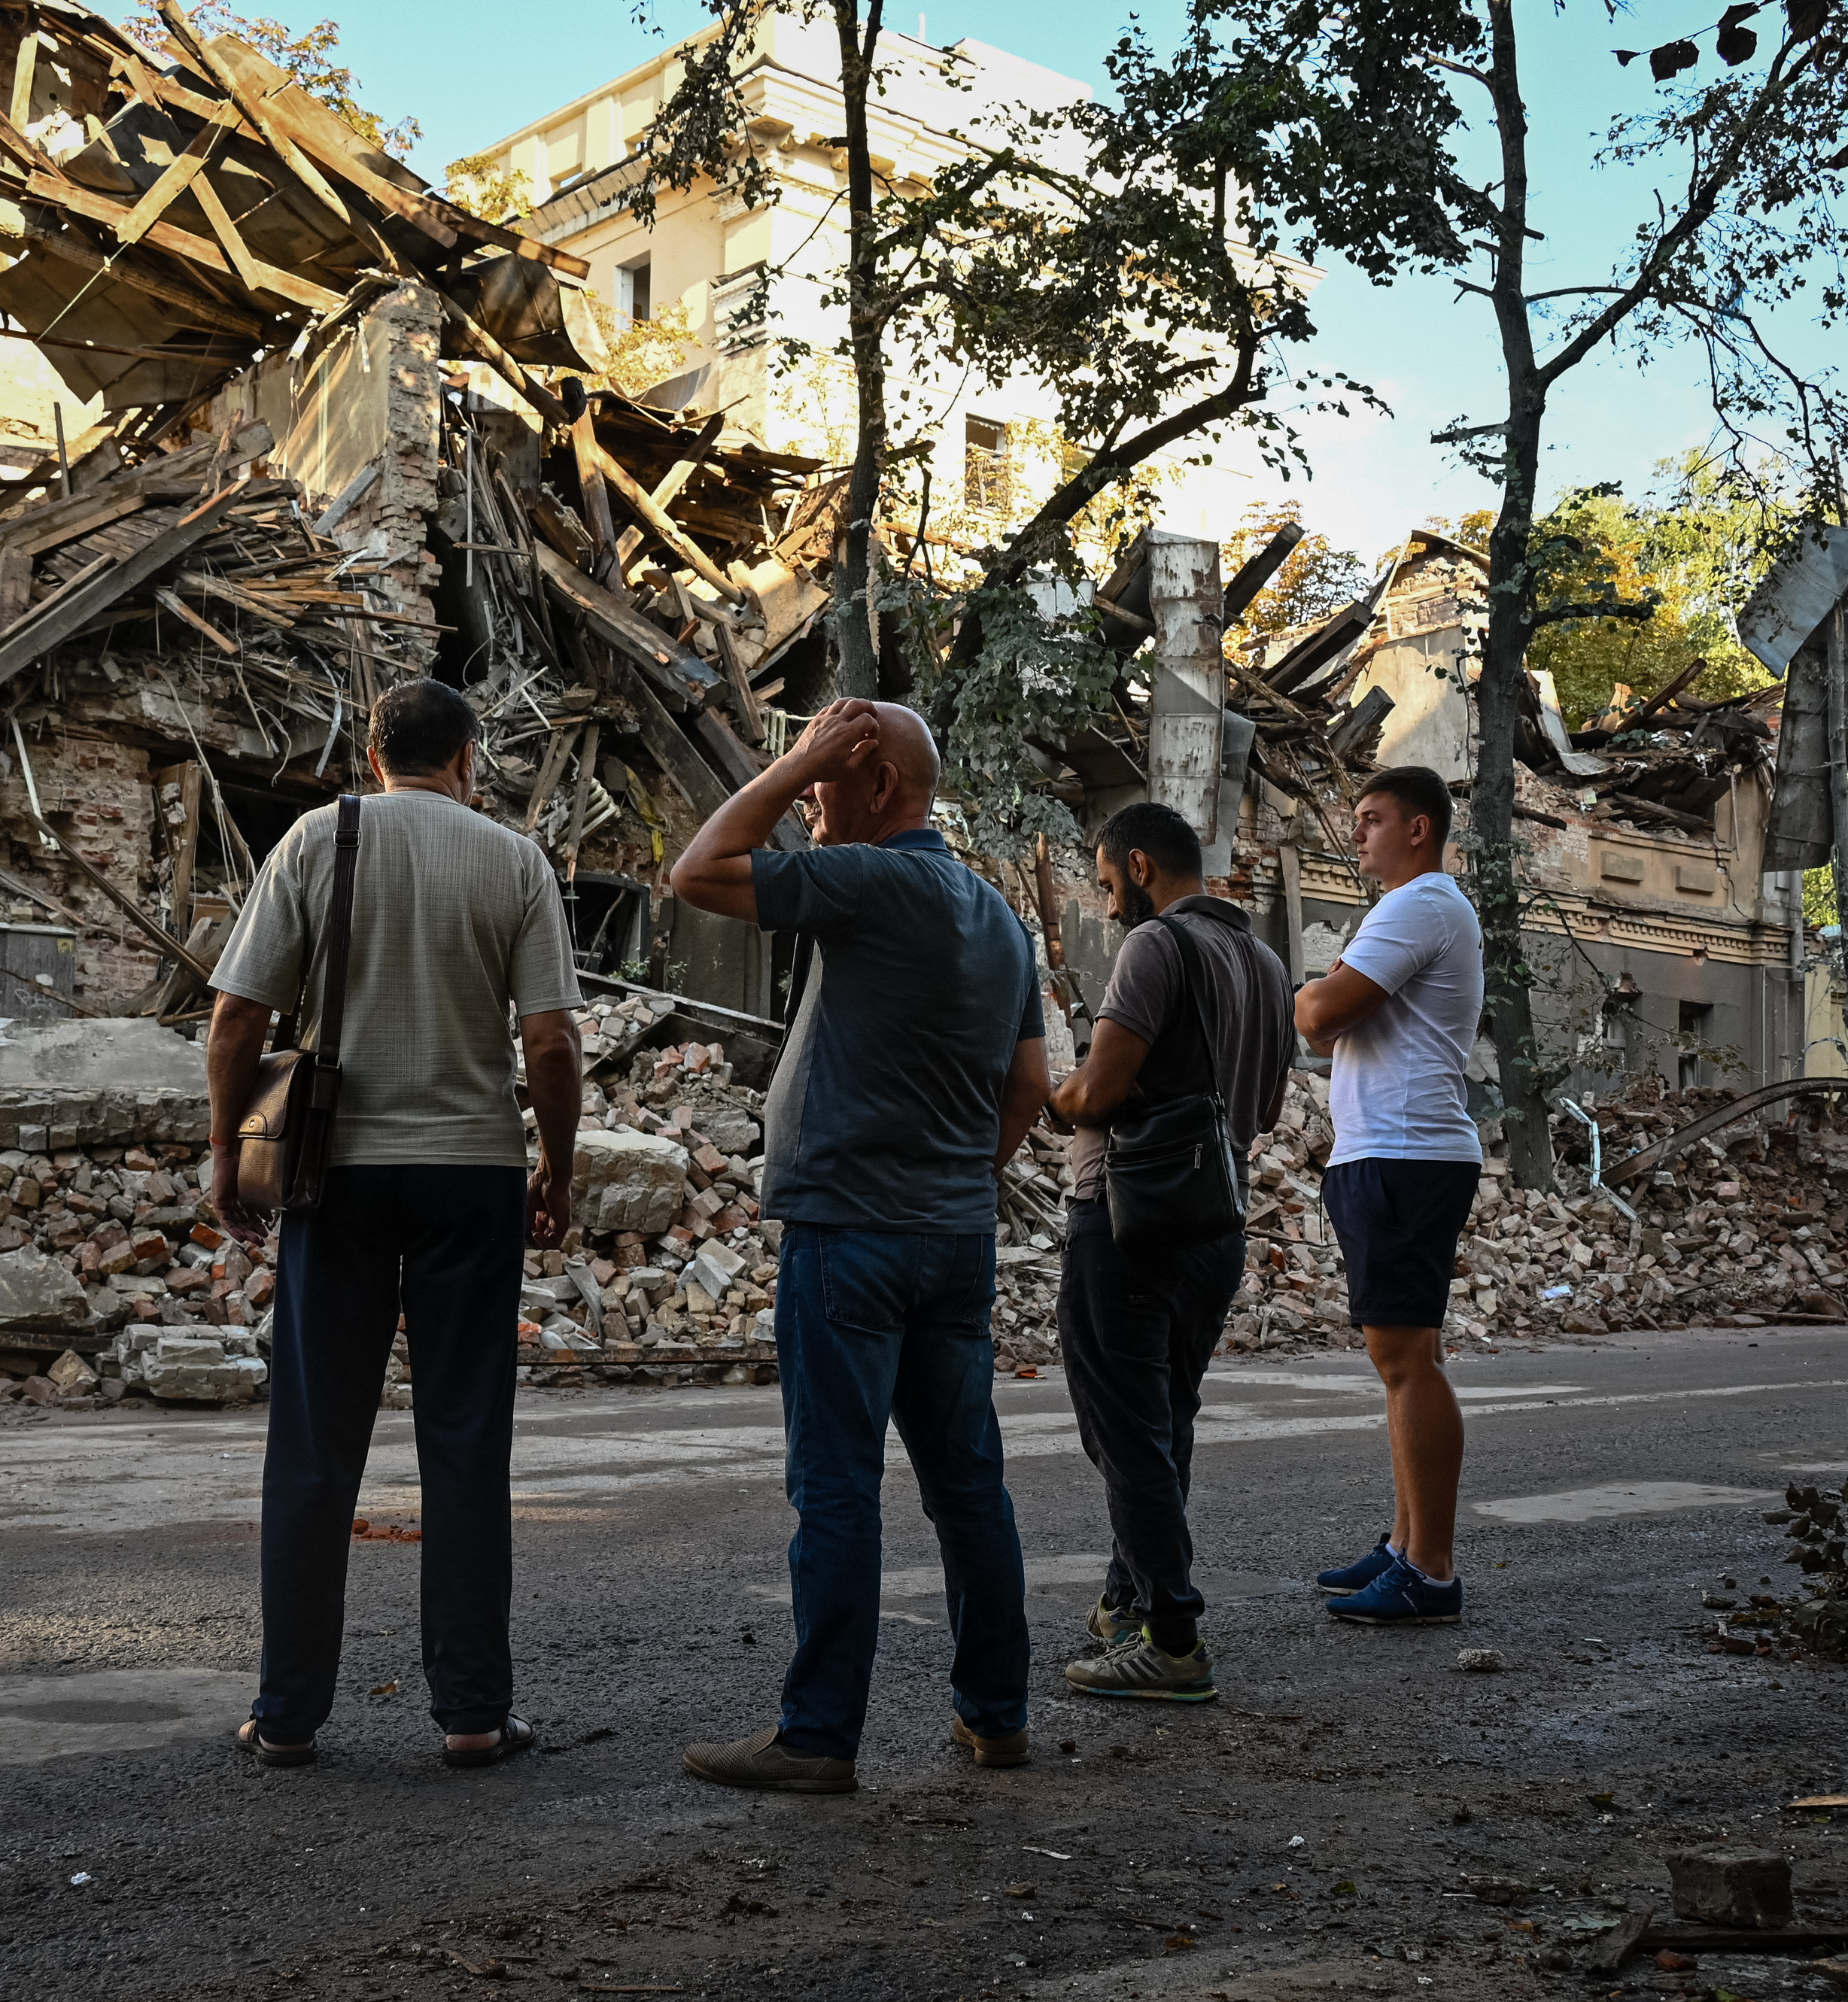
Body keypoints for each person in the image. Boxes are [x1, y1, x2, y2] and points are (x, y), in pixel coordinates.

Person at [666, 698, 1050, 1794]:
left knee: (835, 1485)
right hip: (953, 1236)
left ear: (878, 785)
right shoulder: (995, 914)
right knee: (968, 1483)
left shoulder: (874, 881)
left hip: (851, 1233)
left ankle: (820, 1733)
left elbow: (699, 870)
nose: (816, 800)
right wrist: (959, 1177)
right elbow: (1026, 1088)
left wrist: (793, 761)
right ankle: (998, 1714)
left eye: (836, 776)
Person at [204, 679, 585, 1768]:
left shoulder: (316, 842)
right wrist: (556, 1168)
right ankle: (471, 1711)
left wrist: (228, 1147)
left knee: (317, 1441)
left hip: (340, 1176)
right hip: (471, 1178)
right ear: (468, 757)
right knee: (466, 1438)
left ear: (374, 757)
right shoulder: (514, 862)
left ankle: (286, 1715)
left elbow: (238, 1016)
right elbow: (551, 1043)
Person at [1042, 801, 1293, 1701]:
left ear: (1141, 867)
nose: (1109, 909)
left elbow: (1101, 1091)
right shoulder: (1264, 962)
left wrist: (1050, 1092)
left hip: (1127, 1222)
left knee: (1125, 1429)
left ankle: (1174, 1638)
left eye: (1109, 886)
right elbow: (1262, 1111)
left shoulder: (1155, 949)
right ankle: (1130, 1600)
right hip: (1214, 1225)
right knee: (1163, 1423)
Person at [1292, 764, 1485, 1626]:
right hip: (1395, 1152)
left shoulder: (1419, 905)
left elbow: (1320, 1014)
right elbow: (1338, 1019)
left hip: (1406, 1154)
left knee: (1406, 1361)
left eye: (1372, 819)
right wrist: (1326, 1004)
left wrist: (1310, 995)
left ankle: (1430, 1571)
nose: (1358, 832)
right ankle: (1407, 1545)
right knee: (1403, 1359)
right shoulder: (1413, 909)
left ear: (1418, 828)